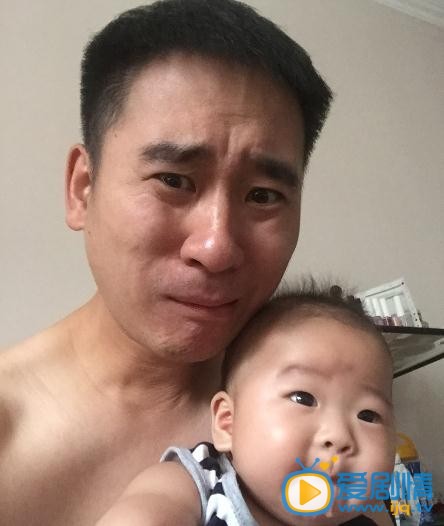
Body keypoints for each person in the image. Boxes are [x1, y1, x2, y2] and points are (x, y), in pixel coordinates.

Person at [0, 1, 349, 524]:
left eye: (263, 195)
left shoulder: (319, 425)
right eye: (174, 181)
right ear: (82, 188)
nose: (216, 248)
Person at [97, 285, 396, 526]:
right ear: (228, 422)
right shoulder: (198, 483)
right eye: (303, 398)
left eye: (368, 415)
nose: (339, 436)